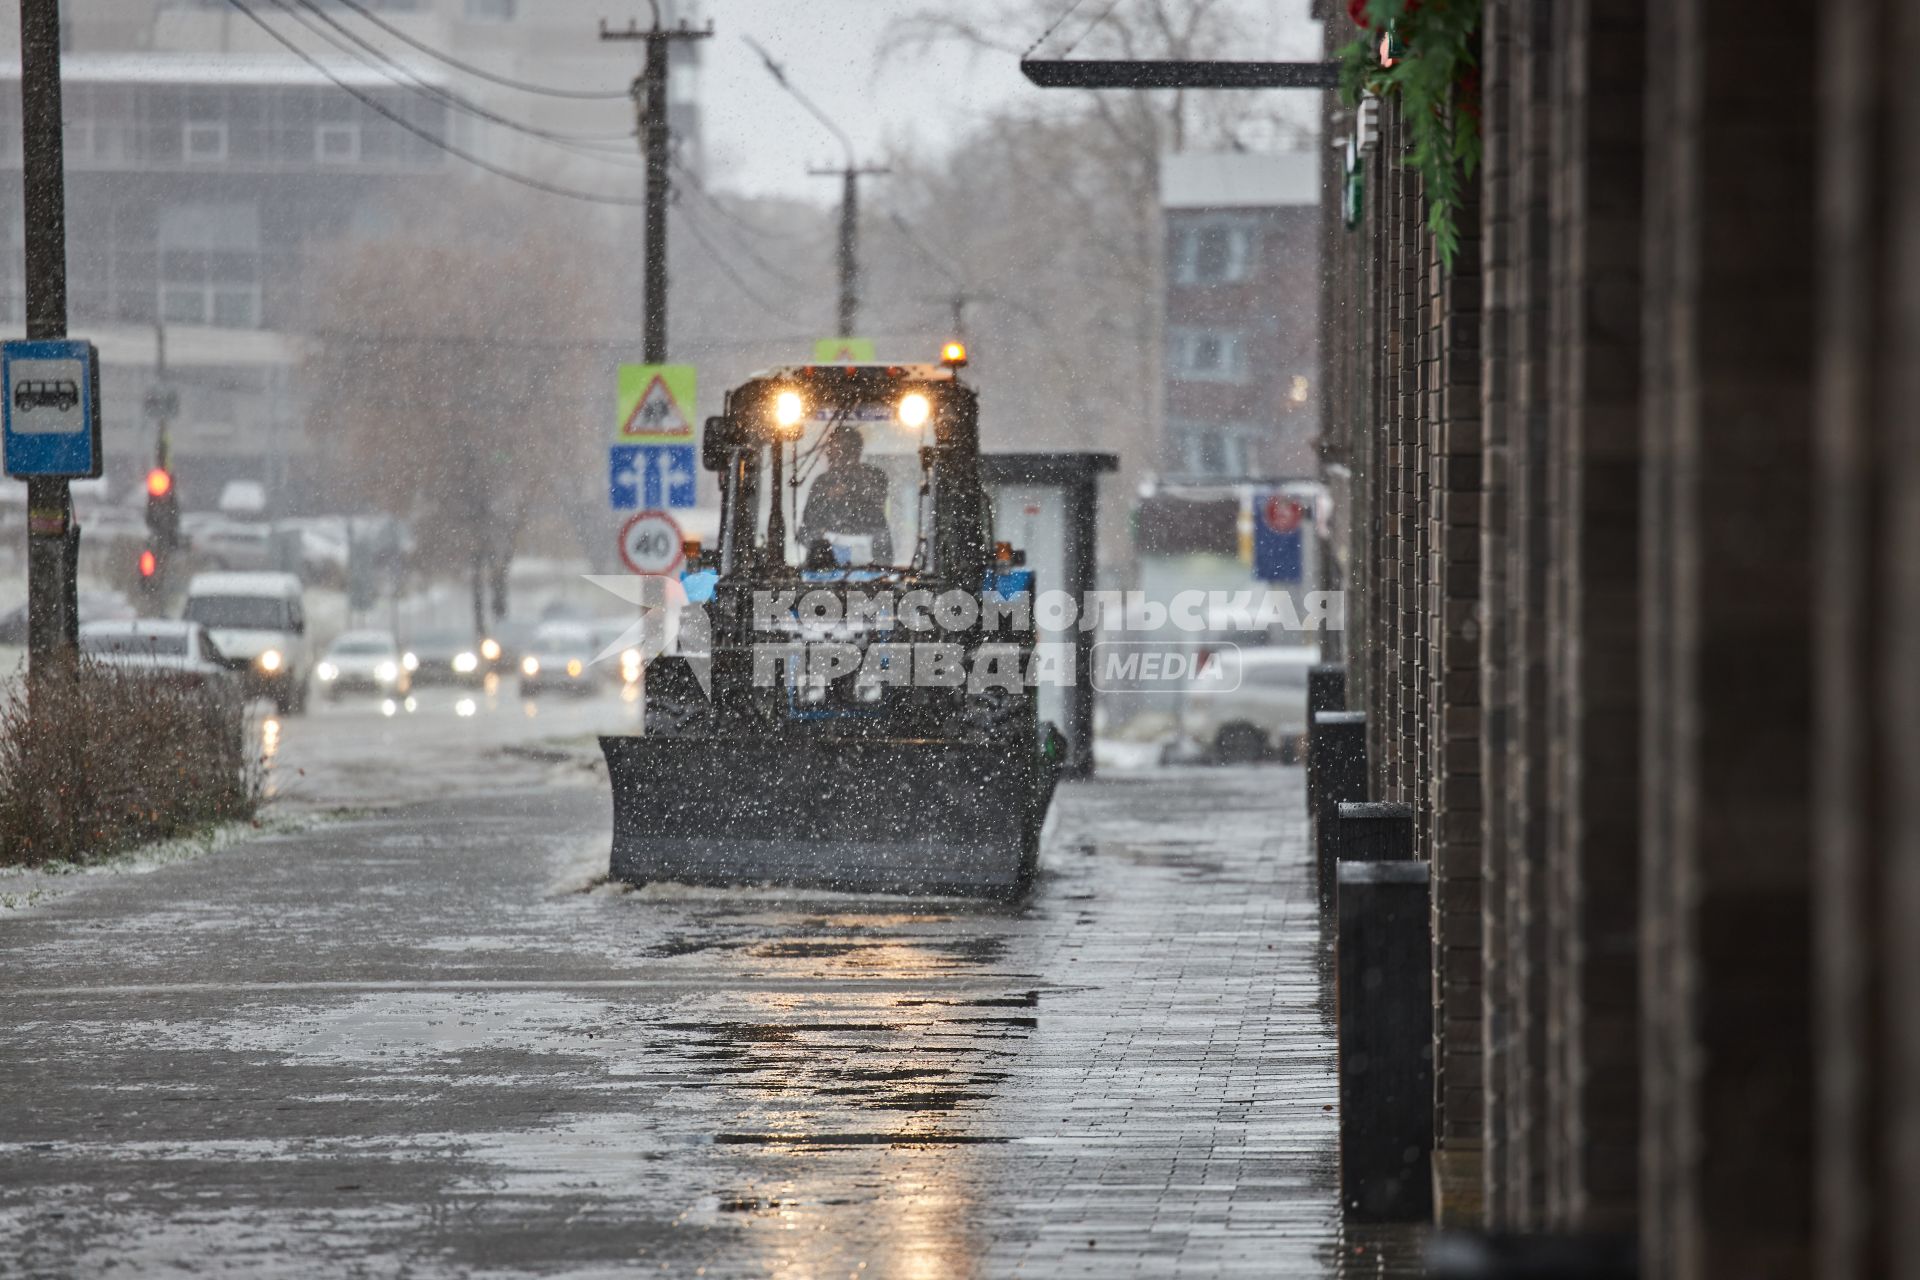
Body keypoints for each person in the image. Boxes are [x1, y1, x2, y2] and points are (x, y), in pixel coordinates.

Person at [798, 423, 893, 563]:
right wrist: (827, 498)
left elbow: (876, 514)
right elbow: (807, 529)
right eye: (833, 450)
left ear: (856, 452)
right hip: (822, 569)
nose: (833, 455)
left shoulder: (873, 478)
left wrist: (850, 495)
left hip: (871, 570)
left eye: (843, 450)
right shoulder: (822, 483)